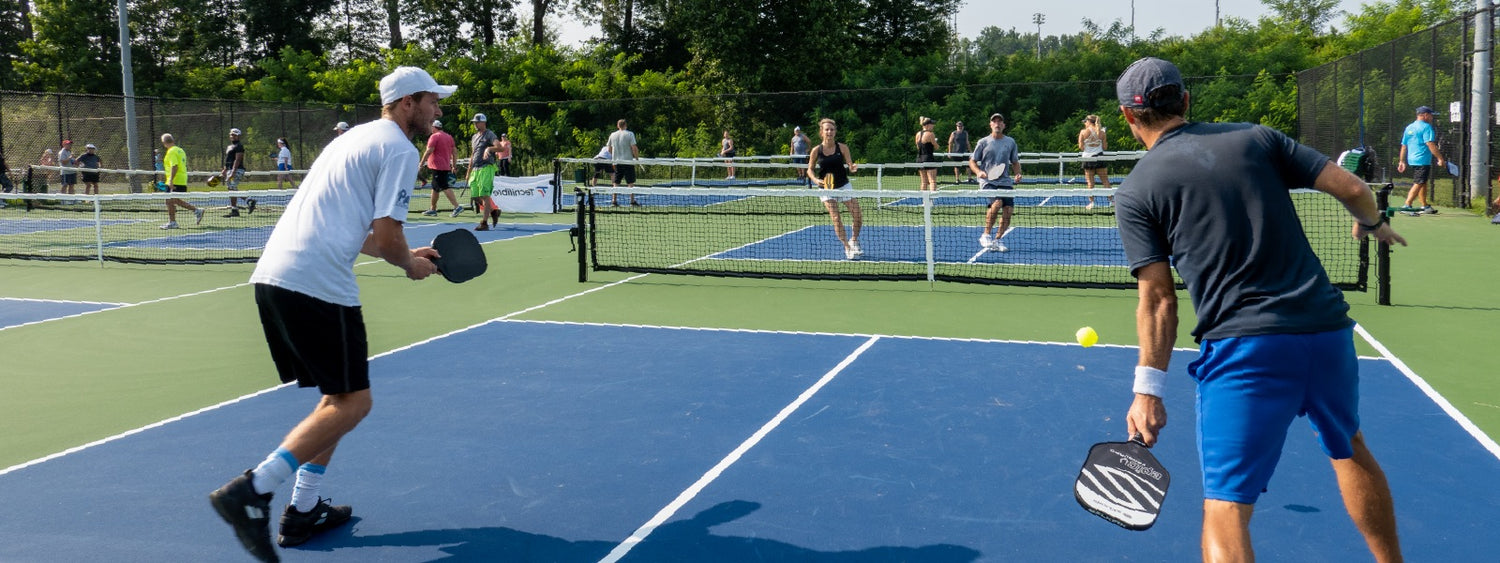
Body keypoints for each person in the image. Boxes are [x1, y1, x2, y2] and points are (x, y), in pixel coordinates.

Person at [1111, 57, 1406, 563]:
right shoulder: (1257, 138)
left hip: (1246, 350)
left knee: (1225, 508)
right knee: (1348, 447)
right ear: (1185, 100)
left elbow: (1159, 299)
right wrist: (1373, 224)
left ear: (1126, 116)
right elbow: (1355, 190)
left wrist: (1148, 390)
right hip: (1327, 332)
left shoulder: (1137, 190)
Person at [208, 66, 452, 563]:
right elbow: (386, 240)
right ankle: (252, 491)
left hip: (275, 277)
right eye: (432, 101)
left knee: (335, 399)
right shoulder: (401, 151)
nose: (438, 109)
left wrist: (408, 253)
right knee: (354, 404)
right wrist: (409, 265)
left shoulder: (351, 141)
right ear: (408, 102)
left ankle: (303, 510)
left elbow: (359, 232)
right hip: (318, 284)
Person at [807, 118, 862, 260]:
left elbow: (850, 163)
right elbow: (810, 170)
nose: (829, 132)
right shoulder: (816, 151)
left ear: (835, 132)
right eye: (826, 129)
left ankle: (854, 240)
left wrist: (852, 167)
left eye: (832, 129)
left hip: (843, 185)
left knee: (857, 215)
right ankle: (847, 247)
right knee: (836, 217)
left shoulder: (842, 148)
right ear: (822, 132)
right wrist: (815, 180)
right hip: (826, 188)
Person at [968, 113, 1021, 252]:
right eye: (994, 121)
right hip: (988, 181)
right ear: (990, 125)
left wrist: (1018, 173)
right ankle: (985, 235)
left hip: (1005, 181)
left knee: (1008, 211)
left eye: (1000, 121)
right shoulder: (983, 142)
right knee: (997, 203)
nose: (997, 124)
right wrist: (978, 172)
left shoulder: (1010, 142)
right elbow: (972, 161)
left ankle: (998, 239)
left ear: (1004, 125)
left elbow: (1015, 162)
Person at [1397, 106, 1444, 214]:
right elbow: (1430, 144)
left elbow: (1404, 146)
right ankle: (1407, 205)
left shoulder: (1409, 127)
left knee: (1423, 182)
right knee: (1419, 182)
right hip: (1422, 160)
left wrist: (1401, 161)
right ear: (1425, 115)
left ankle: (1424, 206)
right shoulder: (1427, 127)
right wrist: (1440, 158)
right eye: (1431, 115)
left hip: (1412, 159)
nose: (1432, 118)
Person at [159, 134, 203, 229]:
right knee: (171, 201)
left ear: (164, 143)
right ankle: (175, 221)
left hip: (175, 180)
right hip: (182, 179)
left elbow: (174, 166)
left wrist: (170, 180)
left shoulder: (171, 152)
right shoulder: (180, 150)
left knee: (171, 200)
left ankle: (176, 221)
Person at [466, 113, 502, 230]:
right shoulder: (474, 137)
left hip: (486, 167)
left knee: (484, 195)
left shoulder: (489, 134)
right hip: (475, 169)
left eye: (477, 122)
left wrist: (489, 148)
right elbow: (473, 154)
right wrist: (469, 171)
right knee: (476, 196)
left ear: (483, 122)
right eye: (474, 122)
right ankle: (493, 212)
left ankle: (484, 223)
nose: (475, 124)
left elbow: (500, 147)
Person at [421, 119, 463, 217]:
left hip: (437, 167)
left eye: (431, 127)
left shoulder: (434, 136)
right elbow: (455, 152)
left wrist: (421, 163)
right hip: (444, 166)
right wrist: (454, 165)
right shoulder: (449, 137)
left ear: (434, 127)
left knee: (444, 186)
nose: (431, 129)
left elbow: (428, 151)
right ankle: (433, 209)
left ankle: (457, 207)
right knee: (435, 188)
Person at [1077, 114, 1111, 209]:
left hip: (1088, 159)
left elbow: (1081, 147)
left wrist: (1089, 148)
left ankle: (1092, 203)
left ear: (1089, 122)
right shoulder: (1102, 133)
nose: (1085, 124)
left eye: (1085, 122)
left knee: (1090, 183)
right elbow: (1105, 147)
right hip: (1099, 158)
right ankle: (1112, 201)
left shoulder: (1083, 132)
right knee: (1105, 181)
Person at [222, 128, 255, 217]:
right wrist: (225, 169)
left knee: (232, 187)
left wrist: (233, 171)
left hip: (237, 170)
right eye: (231, 134)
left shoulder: (239, 146)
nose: (233, 136)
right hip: (230, 170)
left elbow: (237, 160)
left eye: (235, 135)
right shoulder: (229, 147)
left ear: (238, 136)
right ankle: (239, 207)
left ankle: (239, 207)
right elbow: (228, 160)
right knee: (231, 188)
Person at [608, 118, 641, 206]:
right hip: (628, 162)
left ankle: (614, 201)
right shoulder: (630, 134)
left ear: (618, 126)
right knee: (630, 182)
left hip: (617, 162)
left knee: (616, 182)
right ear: (625, 125)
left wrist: (614, 158)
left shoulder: (612, 135)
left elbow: (609, 149)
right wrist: (637, 158)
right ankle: (632, 201)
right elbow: (634, 148)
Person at [915, 117, 938, 191]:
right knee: (932, 181)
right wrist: (936, 141)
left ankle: (923, 200)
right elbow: (936, 147)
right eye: (932, 124)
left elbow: (918, 147)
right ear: (928, 125)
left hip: (919, 159)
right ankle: (932, 200)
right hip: (928, 158)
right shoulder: (930, 134)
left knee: (924, 182)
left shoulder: (918, 134)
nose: (933, 126)